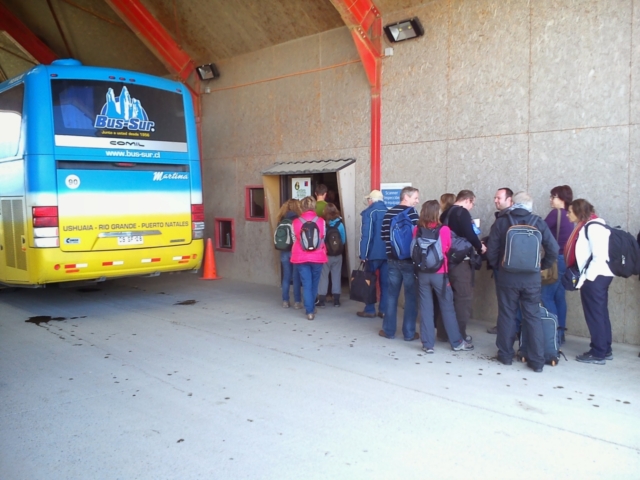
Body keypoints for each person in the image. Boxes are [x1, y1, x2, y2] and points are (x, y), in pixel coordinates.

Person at [487, 191, 558, 373]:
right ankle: (536, 361)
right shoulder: (538, 222)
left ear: (513, 204)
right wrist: (542, 265)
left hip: (507, 278)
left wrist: (499, 266)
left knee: (507, 315)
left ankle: (505, 355)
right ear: (530, 206)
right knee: (532, 316)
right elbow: (553, 249)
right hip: (531, 280)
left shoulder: (502, 222)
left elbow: (492, 251)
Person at [415, 200, 474, 353]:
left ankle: (428, 344)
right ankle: (456, 342)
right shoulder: (444, 230)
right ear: (437, 213)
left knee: (426, 308)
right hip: (440, 274)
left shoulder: (417, 229)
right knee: (447, 307)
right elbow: (447, 249)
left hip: (422, 273)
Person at [566, 199, 614, 365]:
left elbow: (599, 256)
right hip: (598, 276)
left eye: (570, 211)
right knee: (599, 313)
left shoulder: (593, 227)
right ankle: (605, 349)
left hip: (596, 277)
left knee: (595, 315)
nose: (567, 214)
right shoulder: (589, 226)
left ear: (579, 212)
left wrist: (586, 279)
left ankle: (598, 352)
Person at [439, 190, 486, 342]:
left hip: (446, 261)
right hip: (461, 262)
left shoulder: (444, 214)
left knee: (447, 298)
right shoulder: (462, 213)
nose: (472, 207)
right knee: (463, 298)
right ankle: (459, 335)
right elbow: (470, 235)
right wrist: (480, 247)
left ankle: (443, 332)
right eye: (473, 203)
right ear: (468, 200)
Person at [379, 186, 420, 340]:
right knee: (410, 297)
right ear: (406, 197)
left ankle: (388, 331)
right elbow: (418, 237)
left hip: (392, 260)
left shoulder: (389, 213)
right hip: (409, 261)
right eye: (415, 198)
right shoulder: (413, 213)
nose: (417, 201)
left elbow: (384, 236)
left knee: (391, 296)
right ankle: (409, 333)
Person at [541, 185, 574, 344]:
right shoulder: (569, 215)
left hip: (555, 260)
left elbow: (540, 230)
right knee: (559, 298)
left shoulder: (556, 213)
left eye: (552, 196)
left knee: (546, 296)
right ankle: (560, 335)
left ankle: (552, 335)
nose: (550, 200)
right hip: (566, 260)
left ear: (561, 198)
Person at [291, 196, 328, 320]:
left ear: (302, 207)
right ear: (314, 206)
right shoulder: (321, 221)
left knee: (306, 284)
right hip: (318, 256)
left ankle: (309, 311)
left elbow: (294, 239)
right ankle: (312, 307)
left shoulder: (296, 222)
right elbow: (323, 238)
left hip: (301, 257)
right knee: (314, 284)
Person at [356, 190, 388, 318]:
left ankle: (369, 309)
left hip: (373, 253)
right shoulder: (389, 212)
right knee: (386, 283)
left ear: (371, 200)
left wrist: (363, 254)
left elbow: (367, 236)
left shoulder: (370, 212)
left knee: (369, 282)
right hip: (387, 254)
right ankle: (384, 310)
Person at [486, 187, 514, 335]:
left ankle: (506, 329)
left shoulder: (502, 220)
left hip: (502, 267)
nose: (495, 200)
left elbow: (494, 245)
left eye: (499, 198)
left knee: (505, 302)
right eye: (495, 198)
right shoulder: (524, 218)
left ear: (509, 200)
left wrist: (493, 263)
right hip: (520, 267)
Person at [317, 203, 346, 307]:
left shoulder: (324, 223)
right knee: (336, 275)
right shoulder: (340, 224)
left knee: (323, 276)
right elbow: (343, 240)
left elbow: (321, 239)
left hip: (326, 255)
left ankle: (322, 300)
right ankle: (336, 300)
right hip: (337, 255)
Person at [276, 199, 302, 309]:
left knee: (286, 276)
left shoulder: (281, 219)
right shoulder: (298, 219)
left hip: (284, 251)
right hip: (295, 251)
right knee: (296, 277)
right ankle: (297, 302)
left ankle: (285, 301)